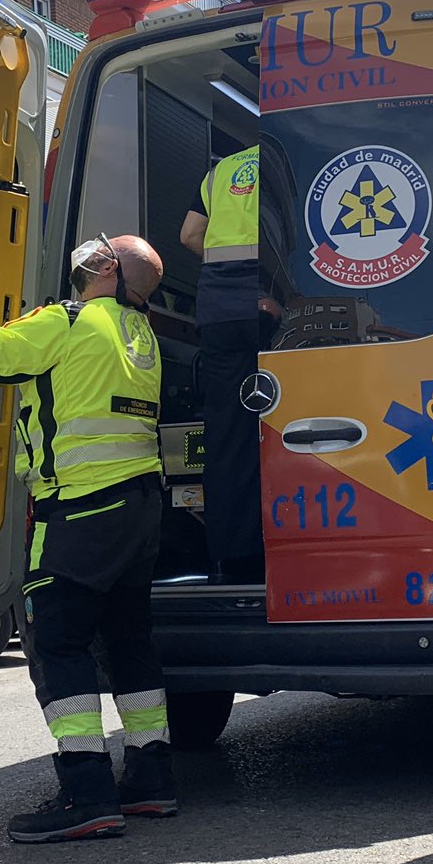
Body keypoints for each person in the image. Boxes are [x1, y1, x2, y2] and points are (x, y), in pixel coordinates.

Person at [0, 234, 174, 843]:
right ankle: (151, 781)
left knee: (57, 640)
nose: (90, 256)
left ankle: (86, 792)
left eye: (103, 251)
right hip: (140, 508)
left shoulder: (68, 321)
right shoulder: (140, 334)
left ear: (109, 269)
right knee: (128, 641)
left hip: (79, 509)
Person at [181, 144, 264, 583]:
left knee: (228, 437)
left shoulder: (223, 170)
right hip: (270, 307)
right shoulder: (284, 156)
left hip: (218, 313)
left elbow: (190, 235)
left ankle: (234, 563)